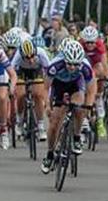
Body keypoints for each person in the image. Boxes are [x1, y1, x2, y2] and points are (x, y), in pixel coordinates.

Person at [40, 38, 95, 173]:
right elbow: (46, 88)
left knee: (79, 107)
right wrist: (47, 105)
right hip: (58, 85)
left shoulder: (86, 67)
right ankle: (50, 154)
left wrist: (89, 105)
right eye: (69, 63)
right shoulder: (55, 65)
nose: (71, 67)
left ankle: (76, 137)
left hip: (76, 84)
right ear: (64, 59)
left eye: (75, 64)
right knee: (54, 124)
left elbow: (91, 89)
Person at [10, 36, 52, 142]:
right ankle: (19, 122)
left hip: (36, 72)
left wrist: (48, 89)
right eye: (27, 58)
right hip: (21, 72)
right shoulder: (18, 56)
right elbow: (11, 73)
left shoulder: (41, 53)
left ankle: (41, 126)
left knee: (38, 95)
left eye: (32, 56)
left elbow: (49, 73)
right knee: (21, 95)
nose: (30, 60)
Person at [79, 25, 108, 139]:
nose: (90, 45)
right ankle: (84, 119)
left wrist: (106, 74)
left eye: (92, 42)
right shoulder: (80, 45)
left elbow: (104, 62)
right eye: (87, 43)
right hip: (84, 64)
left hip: (96, 64)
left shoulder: (100, 44)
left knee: (100, 71)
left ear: (96, 41)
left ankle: (100, 119)